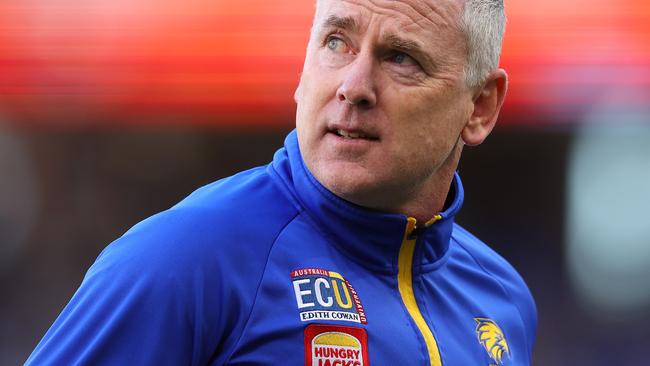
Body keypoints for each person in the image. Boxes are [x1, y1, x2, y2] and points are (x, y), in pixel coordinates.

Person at [27, 0, 536, 365]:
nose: (353, 87)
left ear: (481, 106)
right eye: (336, 42)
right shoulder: (186, 258)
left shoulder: (503, 299)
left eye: (400, 58)